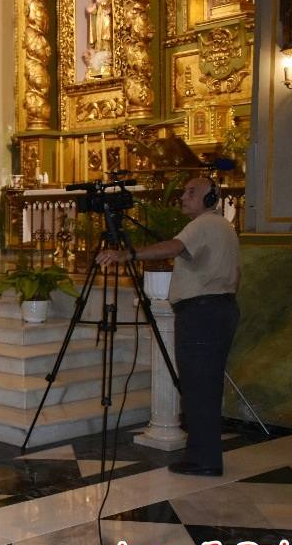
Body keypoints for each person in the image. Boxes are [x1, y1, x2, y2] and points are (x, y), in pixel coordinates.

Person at [96, 177, 240, 476]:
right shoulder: (223, 226)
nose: (183, 197)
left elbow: (175, 247)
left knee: (198, 387)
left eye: (191, 193)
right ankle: (205, 456)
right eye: (185, 191)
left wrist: (128, 254)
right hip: (219, 310)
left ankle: (204, 461)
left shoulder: (204, 224)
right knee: (205, 388)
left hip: (202, 313)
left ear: (211, 198)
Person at [83, 0, 112, 79]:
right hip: (99, 20)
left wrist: (104, 5)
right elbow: (92, 10)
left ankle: (107, 51)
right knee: (99, 36)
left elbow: (108, 3)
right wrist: (90, 9)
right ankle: (99, 51)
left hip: (106, 21)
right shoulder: (98, 1)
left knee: (106, 36)